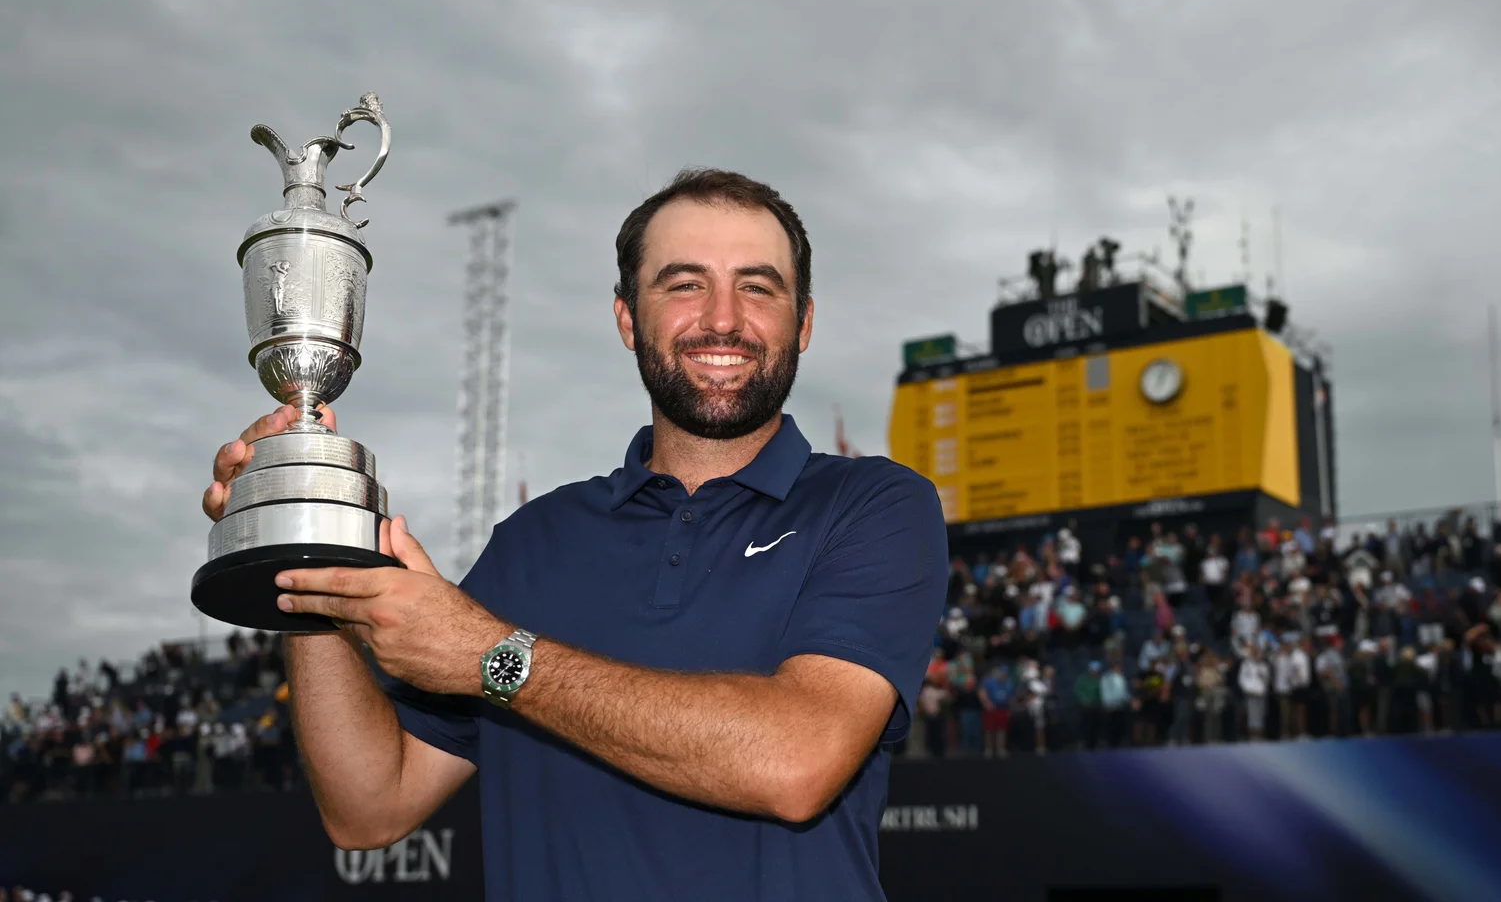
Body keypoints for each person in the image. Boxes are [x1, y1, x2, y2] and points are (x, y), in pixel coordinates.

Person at [201, 171, 948, 900]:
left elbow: (797, 762)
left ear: (803, 322)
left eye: (757, 286)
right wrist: (309, 548)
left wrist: (493, 657)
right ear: (627, 318)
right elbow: (369, 806)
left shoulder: (873, 506)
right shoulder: (533, 542)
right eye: (684, 283)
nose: (723, 317)